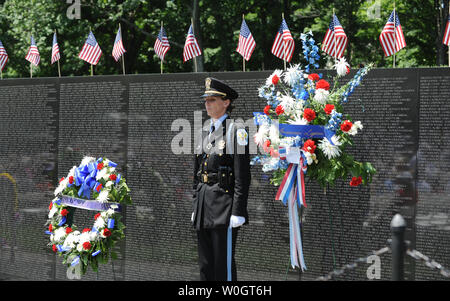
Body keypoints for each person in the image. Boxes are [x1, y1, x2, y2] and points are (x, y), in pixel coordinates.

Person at [192, 77, 251, 281]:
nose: (207, 104)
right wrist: (195, 205)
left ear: (226, 103)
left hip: (224, 207)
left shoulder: (237, 131)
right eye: (206, 100)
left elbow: (242, 175)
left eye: (212, 100)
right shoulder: (203, 131)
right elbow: (197, 173)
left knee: (222, 266)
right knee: (205, 265)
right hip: (204, 205)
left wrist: (238, 211)